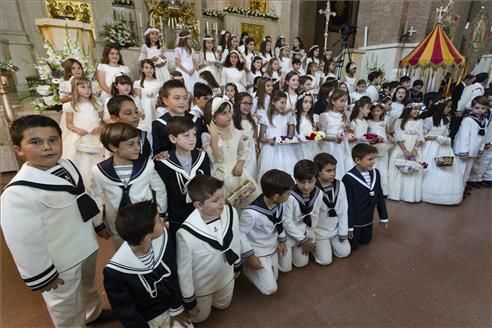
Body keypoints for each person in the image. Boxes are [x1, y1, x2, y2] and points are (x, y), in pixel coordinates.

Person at [1, 115, 107, 327]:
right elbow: (23, 240)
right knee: (66, 306)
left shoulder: (67, 165)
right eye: (35, 142)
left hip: (84, 246)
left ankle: (93, 315)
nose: (47, 147)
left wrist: (98, 223)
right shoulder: (18, 192)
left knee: (88, 288)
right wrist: (41, 275)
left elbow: (82, 198)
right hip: (60, 262)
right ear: (18, 149)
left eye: (53, 140)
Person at [103, 201, 191, 328]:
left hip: (169, 308)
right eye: (159, 221)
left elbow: (173, 275)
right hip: (145, 318)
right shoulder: (114, 272)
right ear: (147, 238)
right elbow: (126, 310)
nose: (163, 221)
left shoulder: (163, 238)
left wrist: (177, 309)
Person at [91, 123, 167, 250]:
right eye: (131, 144)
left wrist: (162, 214)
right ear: (113, 147)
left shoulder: (147, 166)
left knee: (153, 252)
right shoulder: (98, 171)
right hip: (117, 226)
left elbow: (160, 189)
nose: (138, 148)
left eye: (138, 142)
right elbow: (96, 198)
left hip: (147, 224)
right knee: (123, 253)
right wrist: (98, 225)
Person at [176, 175, 242, 323]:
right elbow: (184, 271)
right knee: (200, 318)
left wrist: (237, 263)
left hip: (225, 276)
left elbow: (235, 240)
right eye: (215, 200)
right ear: (198, 205)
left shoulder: (231, 212)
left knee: (224, 305)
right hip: (203, 286)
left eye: (222, 196)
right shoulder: (185, 233)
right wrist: (189, 300)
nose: (222, 203)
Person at [240, 169, 294, 295]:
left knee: (285, 269)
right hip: (259, 250)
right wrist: (250, 256)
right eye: (288, 193)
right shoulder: (251, 213)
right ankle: (246, 268)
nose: (290, 196)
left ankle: (266, 268)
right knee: (270, 289)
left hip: (273, 245)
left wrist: (282, 240)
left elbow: (278, 221)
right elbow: (240, 233)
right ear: (276, 196)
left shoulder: (279, 202)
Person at [154, 116, 211, 237]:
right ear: (173, 138)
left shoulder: (202, 157)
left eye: (194, 134)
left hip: (201, 214)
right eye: (186, 135)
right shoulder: (163, 163)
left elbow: (208, 185)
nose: (192, 139)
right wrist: (165, 216)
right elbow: (163, 192)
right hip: (177, 218)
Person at [203, 97, 260, 209]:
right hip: (221, 176)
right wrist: (214, 138)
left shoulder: (236, 132)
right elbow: (216, 160)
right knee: (228, 208)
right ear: (213, 117)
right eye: (224, 113)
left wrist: (241, 162)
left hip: (239, 173)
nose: (229, 116)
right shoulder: (207, 136)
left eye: (229, 112)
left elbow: (243, 150)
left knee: (247, 205)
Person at [342, 143, 389, 250]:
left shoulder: (376, 173)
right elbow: (347, 204)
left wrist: (384, 218)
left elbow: (380, 197)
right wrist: (349, 226)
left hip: (369, 219)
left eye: (374, 158)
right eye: (370, 159)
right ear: (357, 160)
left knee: (366, 242)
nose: (373, 162)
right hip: (355, 222)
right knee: (352, 247)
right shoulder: (348, 178)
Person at [62, 76, 105, 191]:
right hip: (80, 136)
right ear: (75, 89)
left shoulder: (96, 103)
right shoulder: (70, 105)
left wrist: (101, 127)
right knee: (82, 162)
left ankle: (99, 184)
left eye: (89, 87)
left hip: (95, 136)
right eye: (83, 87)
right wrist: (77, 130)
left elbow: (102, 120)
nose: (87, 90)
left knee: (98, 159)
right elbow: (69, 124)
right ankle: (83, 184)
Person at [279, 160, 321, 272]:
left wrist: (308, 236)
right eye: (302, 182)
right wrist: (302, 239)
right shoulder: (290, 196)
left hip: (303, 233)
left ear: (316, 178)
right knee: (285, 269)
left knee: (301, 264)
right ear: (295, 179)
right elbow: (286, 221)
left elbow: (314, 216)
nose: (307, 187)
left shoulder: (318, 193)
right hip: (287, 235)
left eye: (311, 181)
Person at [421, 97, 464, 205]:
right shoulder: (429, 120)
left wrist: (445, 139)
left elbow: (446, 133)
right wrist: (435, 138)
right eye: (448, 107)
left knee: (446, 167)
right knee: (429, 168)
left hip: (444, 147)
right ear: (440, 107)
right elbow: (422, 136)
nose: (449, 109)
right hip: (430, 147)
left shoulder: (447, 120)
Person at [313, 153, 351, 265]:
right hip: (318, 232)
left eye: (334, 170)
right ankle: (319, 248)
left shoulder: (340, 185)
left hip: (334, 229)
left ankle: (329, 244)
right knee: (325, 261)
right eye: (328, 171)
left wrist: (343, 231)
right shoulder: (312, 188)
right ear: (318, 172)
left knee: (345, 252)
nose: (333, 174)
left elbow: (344, 210)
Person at [152, 80, 204, 156]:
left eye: (185, 98)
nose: (182, 102)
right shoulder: (159, 124)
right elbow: (157, 152)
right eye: (177, 98)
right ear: (165, 100)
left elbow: (200, 145)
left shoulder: (196, 120)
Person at [388, 104, 425, 202]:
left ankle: (409, 195)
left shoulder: (420, 122)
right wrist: (405, 150)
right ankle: (396, 193)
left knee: (412, 168)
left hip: (414, 147)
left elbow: (420, 137)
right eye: (414, 109)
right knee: (399, 166)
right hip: (402, 147)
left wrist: (414, 149)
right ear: (408, 109)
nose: (417, 111)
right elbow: (398, 137)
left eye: (418, 109)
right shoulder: (399, 121)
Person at [257, 90, 298, 179]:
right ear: (273, 102)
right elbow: (261, 138)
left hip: (285, 148)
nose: (283, 105)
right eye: (281, 102)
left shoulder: (287, 117)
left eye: (285, 103)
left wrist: (289, 137)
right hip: (270, 149)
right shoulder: (265, 118)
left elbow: (290, 135)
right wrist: (269, 140)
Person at [453, 96, 488, 187]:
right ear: (472, 108)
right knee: (460, 171)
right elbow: (464, 137)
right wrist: (463, 152)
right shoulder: (468, 120)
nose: (480, 110)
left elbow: (483, 136)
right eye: (477, 108)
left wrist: (480, 150)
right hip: (463, 151)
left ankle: (462, 187)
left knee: (467, 172)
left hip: (473, 150)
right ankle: (457, 189)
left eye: (483, 108)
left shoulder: (484, 120)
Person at [318, 89, 353, 179]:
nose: (344, 104)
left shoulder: (344, 115)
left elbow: (346, 132)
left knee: (342, 165)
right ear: (333, 101)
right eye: (341, 101)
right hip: (330, 146)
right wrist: (335, 138)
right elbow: (321, 136)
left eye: (345, 101)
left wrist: (347, 129)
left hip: (341, 146)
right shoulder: (325, 115)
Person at [233, 92, 259, 178]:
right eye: (245, 103)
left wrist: (256, 148)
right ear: (238, 103)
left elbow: (255, 137)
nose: (248, 106)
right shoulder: (232, 122)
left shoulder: (253, 120)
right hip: (238, 153)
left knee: (251, 178)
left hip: (251, 154)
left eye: (250, 104)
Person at [367, 103, 391, 196]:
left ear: (382, 111)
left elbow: (387, 132)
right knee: (374, 165)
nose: (376, 113)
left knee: (383, 167)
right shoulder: (368, 121)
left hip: (383, 144)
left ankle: (383, 189)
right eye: (373, 111)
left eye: (378, 111)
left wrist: (389, 137)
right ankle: (372, 188)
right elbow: (367, 134)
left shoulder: (385, 120)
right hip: (372, 145)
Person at [134, 59, 163, 132]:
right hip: (144, 109)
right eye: (146, 68)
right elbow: (138, 98)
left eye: (151, 68)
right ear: (142, 69)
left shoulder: (159, 83)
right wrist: (139, 111)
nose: (149, 70)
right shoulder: (138, 83)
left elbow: (161, 97)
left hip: (155, 107)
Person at [294, 92, 316, 160]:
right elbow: (293, 134)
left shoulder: (313, 117)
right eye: (305, 102)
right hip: (298, 148)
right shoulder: (294, 117)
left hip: (310, 147)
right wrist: (301, 137)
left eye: (310, 102)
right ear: (300, 102)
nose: (308, 105)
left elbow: (314, 131)